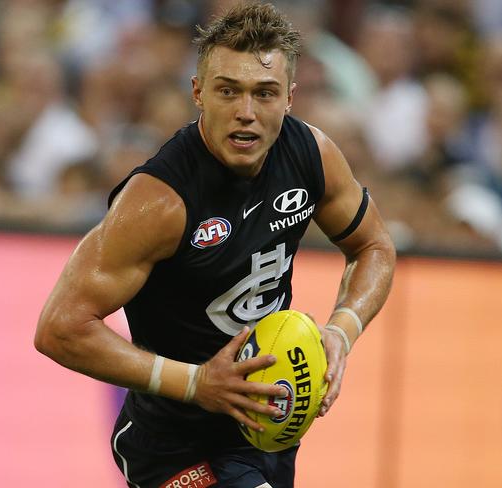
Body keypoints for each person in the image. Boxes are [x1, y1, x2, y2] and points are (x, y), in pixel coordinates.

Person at [34, 3, 396, 488]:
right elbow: (59, 328)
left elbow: (374, 246)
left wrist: (342, 331)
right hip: (175, 442)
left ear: (290, 98)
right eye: (229, 91)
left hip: (268, 424)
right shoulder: (159, 201)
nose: (246, 113)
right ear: (198, 92)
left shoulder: (313, 156)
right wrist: (196, 383)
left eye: (264, 93)